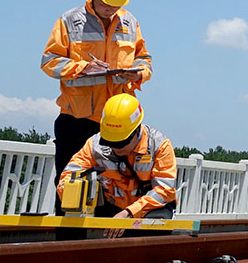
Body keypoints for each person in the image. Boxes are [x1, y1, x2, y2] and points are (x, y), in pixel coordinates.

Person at [41, 0, 152, 216]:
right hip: (76, 120)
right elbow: (49, 61)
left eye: (115, 5)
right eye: (106, 4)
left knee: (117, 189)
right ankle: (67, 249)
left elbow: (145, 59)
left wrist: (138, 72)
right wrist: (83, 67)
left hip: (117, 123)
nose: (111, 10)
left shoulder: (130, 22)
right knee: (71, 188)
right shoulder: (70, 21)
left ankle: (105, 249)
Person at [57, 94, 176, 238]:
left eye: (121, 142)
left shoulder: (158, 145)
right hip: (112, 204)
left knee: (155, 223)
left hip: (147, 208)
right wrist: (72, 195)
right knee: (72, 217)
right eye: (110, 142)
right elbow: (69, 175)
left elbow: (165, 190)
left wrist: (129, 213)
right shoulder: (94, 145)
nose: (116, 148)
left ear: (136, 130)